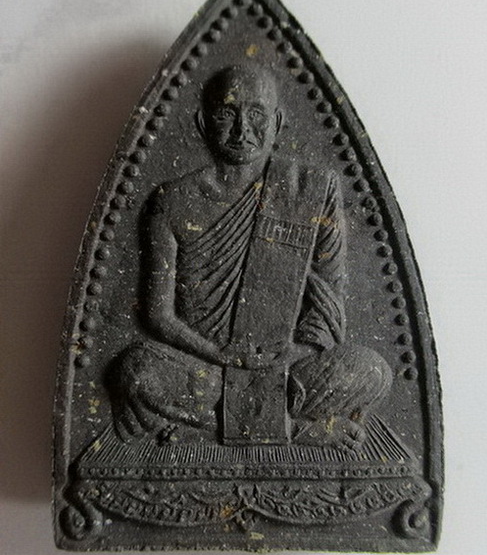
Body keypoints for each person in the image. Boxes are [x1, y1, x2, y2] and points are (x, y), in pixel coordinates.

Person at [110, 65, 392, 449]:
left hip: (288, 369)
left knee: (372, 370)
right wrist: (222, 355)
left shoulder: (311, 189)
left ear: (277, 122)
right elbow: (158, 315)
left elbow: (327, 311)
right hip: (207, 367)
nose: (242, 130)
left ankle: (213, 425)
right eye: (227, 114)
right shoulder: (172, 201)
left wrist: (287, 357)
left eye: (257, 114)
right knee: (137, 370)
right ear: (202, 123)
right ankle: (297, 429)